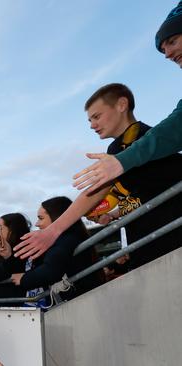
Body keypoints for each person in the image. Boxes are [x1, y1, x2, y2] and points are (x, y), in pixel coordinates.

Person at [15, 84, 182, 269]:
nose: (92, 125)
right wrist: (114, 213)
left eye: (97, 116)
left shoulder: (141, 140)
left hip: (169, 241)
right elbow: (149, 190)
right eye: (89, 120)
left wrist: (54, 229)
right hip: (152, 242)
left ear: (121, 105)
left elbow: (96, 191)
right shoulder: (119, 147)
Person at [72, 1, 182, 193]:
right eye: (164, 49)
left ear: (122, 105)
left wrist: (122, 160)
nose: (168, 54)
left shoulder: (130, 142)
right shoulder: (117, 150)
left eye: (172, 41)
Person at [9, 197, 102, 303]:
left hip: (83, 303)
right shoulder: (67, 238)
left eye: (41, 218)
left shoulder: (67, 239)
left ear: (56, 217)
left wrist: (24, 279)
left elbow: (51, 270)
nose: (37, 224)